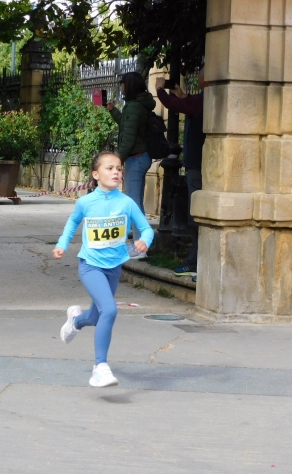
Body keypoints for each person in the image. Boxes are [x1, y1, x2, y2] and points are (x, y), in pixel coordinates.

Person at [53, 151, 154, 387]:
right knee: (109, 310)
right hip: (90, 266)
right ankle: (100, 367)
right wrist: (61, 245)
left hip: (114, 267)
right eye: (110, 168)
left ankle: (76, 321)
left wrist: (144, 241)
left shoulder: (127, 202)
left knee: (97, 315)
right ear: (96, 174)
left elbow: (147, 229)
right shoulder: (86, 202)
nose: (116, 172)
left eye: (119, 168)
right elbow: (72, 223)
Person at [155, 69, 207, 281]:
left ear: (206, 79)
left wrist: (160, 89)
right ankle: (196, 260)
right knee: (198, 214)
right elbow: (187, 103)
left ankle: (196, 262)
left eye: (201, 75)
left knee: (197, 215)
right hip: (201, 163)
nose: (199, 78)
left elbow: (176, 106)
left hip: (197, 165)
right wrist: (182, 95)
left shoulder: (204, 99)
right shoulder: (207, 99)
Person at [107, 72, 156, 214]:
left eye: (122, 84)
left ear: (128, 86)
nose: (121, 87)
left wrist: (117, 161)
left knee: (133, 202)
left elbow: (128, 137)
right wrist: (113, 111)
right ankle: (138, 232)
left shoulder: (134, 106)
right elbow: (127, 124)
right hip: (141, 156)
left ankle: (141, 235)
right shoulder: (138, 105)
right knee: (135, 200)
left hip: (136, 158)